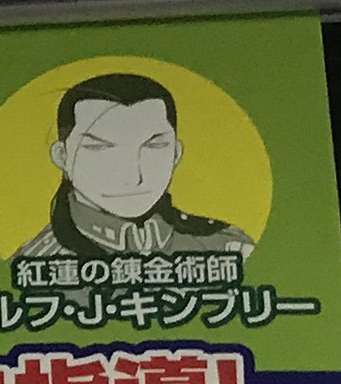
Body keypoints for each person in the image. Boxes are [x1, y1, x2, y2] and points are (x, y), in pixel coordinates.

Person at [13, 72, 253, 262]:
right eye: (99, 148)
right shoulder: (32, 266)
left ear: (176, 153)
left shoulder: (229, 250)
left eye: (154, 145)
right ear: (62, 156)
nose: (132, 177)